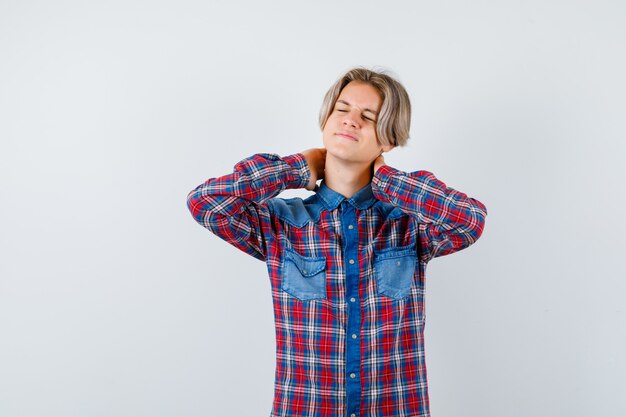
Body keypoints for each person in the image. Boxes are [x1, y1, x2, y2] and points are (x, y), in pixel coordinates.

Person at [186, 66, 488, 417]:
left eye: (368, 116)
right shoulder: (281, 225)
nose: (350, 121)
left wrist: (387, 179)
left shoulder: (409, 226)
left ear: (388, 139)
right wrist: (295, 167)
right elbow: (205, 202)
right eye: (342, 109)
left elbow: (469, 220)